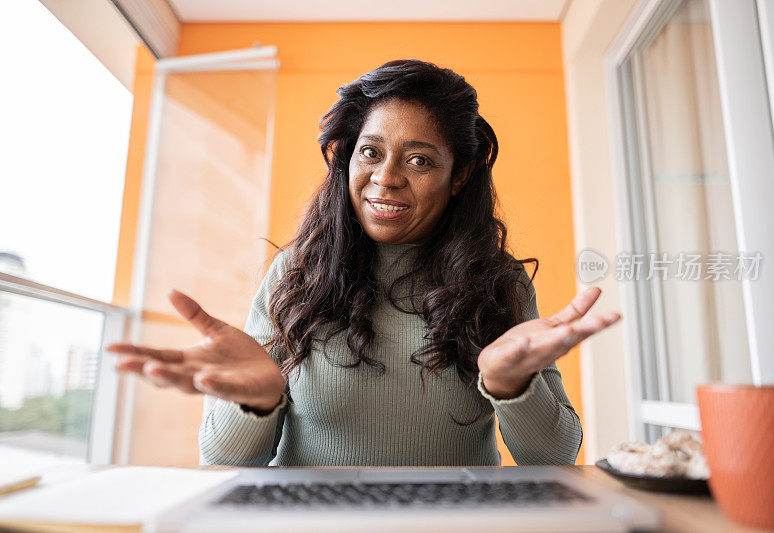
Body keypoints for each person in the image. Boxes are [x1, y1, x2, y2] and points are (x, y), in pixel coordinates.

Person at [107, 59, 621, 467]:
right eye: (370, 153)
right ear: (347, 157)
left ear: (458, 176)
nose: (387, 177)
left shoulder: (496, 281)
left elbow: (552, 457)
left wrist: (514, 385)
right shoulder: (294, 274)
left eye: (419, 160)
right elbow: (222, 460)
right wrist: (258, 402)